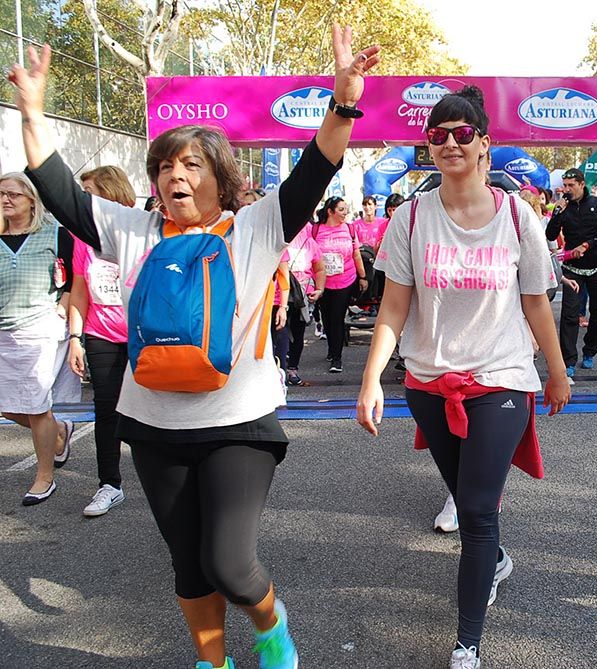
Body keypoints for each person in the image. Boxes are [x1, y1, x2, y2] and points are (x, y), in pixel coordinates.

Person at [9, 26, 379, 669]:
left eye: (190, 165)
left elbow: (316, 167)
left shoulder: (256, 227)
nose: (174, 175)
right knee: (187, 564)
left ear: (219, 177)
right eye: (164, 166)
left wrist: (344, 101)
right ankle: (213, 662)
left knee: (230, 564)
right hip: (153, 424)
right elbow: (59, 188)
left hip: (238, 424)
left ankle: (270, 625)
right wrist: (33, 113)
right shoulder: (132, 229)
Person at [356, 85, 569, 669]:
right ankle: (495, 559)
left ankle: (466, 643)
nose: (451, 143)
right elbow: (393, 307)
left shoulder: (518, 216)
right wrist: (370, 380)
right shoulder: (410, 217)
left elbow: (536, 301)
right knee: (465, 497)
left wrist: (556, 371)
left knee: (476, 510)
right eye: (439, 134)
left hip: (502, 379)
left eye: (463, 133)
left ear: (484, 144)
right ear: (428, 146)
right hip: (429, 384)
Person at [0, 171, 80, 505]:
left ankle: (44, 477)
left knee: (35, 406)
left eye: (13, 194)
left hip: (41, 329)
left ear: (32, 200)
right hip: (3, 331)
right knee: (10, 407)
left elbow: (73, 278)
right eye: (1, 194)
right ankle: (58, 431)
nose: (5, 200)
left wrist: (64, 306)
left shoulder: (56, 234)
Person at [67, 165, 135, 516]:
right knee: (106, 411)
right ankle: (109, 484)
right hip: (100, 335)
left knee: (151, 411)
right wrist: (74, 338)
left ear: (110, 193)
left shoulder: (138, 230)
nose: (83, 200)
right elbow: (79, 290)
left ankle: (165, 479)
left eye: (88, 192)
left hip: (144, 337)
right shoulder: (82, 239)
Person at [545, 168, 597, 377]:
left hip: (596, 266)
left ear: (581, 184)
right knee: (569, 315)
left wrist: (587, 245)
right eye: (564, 185)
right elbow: (550, 234)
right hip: (572, 269)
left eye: (571, 185)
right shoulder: (562, 207)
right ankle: (568, 360)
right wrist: (557, 212)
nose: (567, 189)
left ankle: (590, 351)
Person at [313, 196, 368, 372]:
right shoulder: (316, 230)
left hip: (345, 280)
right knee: (326, 318)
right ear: (330, 211)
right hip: (322, 283)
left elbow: (356, 254)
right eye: (341, 210)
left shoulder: (349, 229)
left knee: (337, 318)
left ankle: (337, 359)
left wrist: (363, 276)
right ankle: (331, 349)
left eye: (346, 209)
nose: (345, 213)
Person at [284, 225, 326, 387]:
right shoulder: (278, 237)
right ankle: (278, 369)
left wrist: (319, 290)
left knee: (297, 333)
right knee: (278, 334)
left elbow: (320, 268)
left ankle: (292, 369)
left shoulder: (309, 242)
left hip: (301, 296)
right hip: (277, 295)